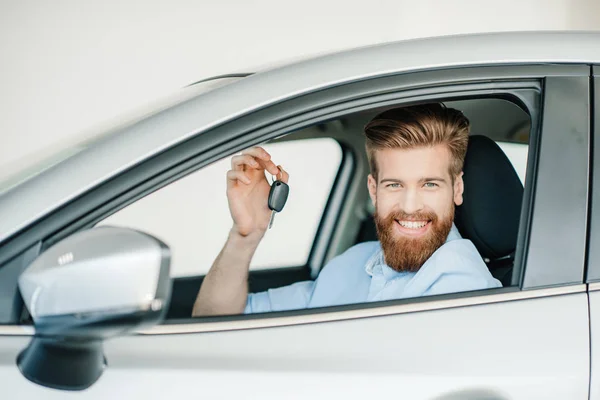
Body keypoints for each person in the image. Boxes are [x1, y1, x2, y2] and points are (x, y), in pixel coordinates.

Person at [192, 103, 501, 317]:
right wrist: (246, 234)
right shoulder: (355, 262)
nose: (410, 207)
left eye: (429, 185)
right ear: (373, 189)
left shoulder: (465, 295)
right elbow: (214, 321)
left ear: (457, 189)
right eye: (394, 185)